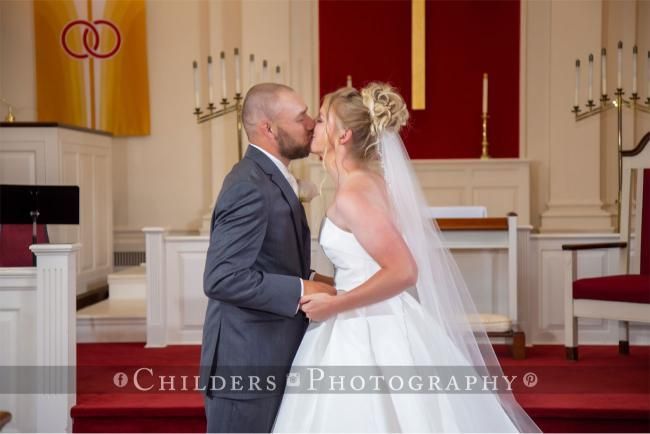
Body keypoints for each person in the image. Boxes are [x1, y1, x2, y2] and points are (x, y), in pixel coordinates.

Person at [272, 83, 540, 433]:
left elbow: (403, 270)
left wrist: (335, 304)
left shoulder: (354, 194)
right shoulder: (368, 182)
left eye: (322, 120)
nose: (313, 127)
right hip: (371, 316)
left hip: (368, 328)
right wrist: (323, 285)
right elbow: (364, 264)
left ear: (343, 136)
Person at [200, 83, 336, 433]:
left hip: (272, 351)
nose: (310, 124)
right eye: (300, 117)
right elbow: (222, 278)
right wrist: (301, 287)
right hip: (246, 363)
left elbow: (270, 262)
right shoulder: (248, 184)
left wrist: (326, 283)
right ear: (269, 129)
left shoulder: (271, 176)